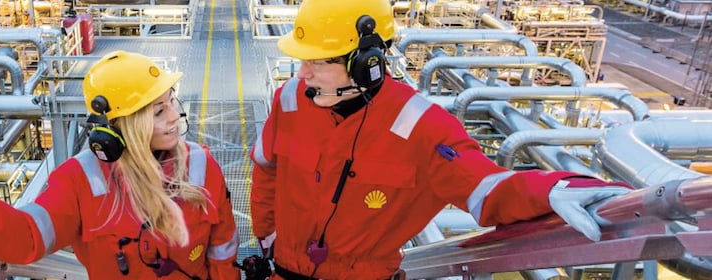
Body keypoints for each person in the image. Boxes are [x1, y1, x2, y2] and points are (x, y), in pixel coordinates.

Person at [247, 0, 634, 279]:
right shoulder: (289, 100)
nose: (303, 73)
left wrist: (554, 189)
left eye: (318, 62)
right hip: (284, 270)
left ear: (367, 63)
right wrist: (267, 237)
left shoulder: (421, 126)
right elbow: (266, 169)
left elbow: (487, 189)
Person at [0, 50, 241, 279]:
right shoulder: (80, 180)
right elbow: (30, 235)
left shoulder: (201, 165)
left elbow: (223, 248)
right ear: (122, 126)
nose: (174, 117)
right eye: (158, 111)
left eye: (171, 101)